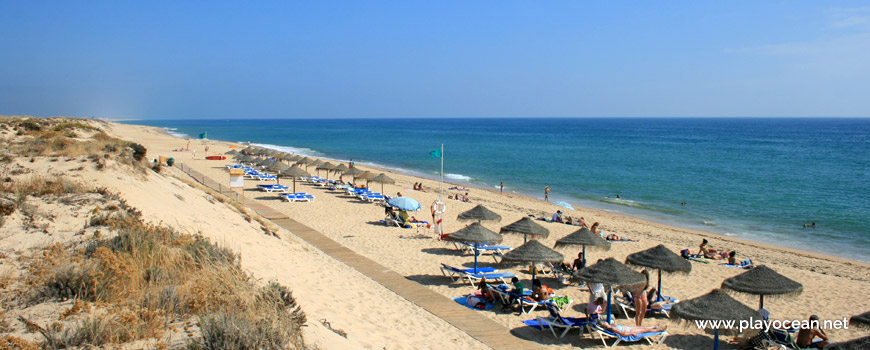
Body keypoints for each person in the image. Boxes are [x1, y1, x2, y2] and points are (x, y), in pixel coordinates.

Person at [599, 322, 667, 337]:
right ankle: (660, 330)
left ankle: (654, 326)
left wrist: (614, 324)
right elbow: (623, 334)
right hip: (630, 331)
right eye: (606, 323)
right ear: (606, 326)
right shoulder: (613, 329)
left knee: (643, 327)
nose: (607, 322)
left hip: (630, 328)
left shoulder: (612, 326)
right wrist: (632, 333)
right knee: (646, 330)